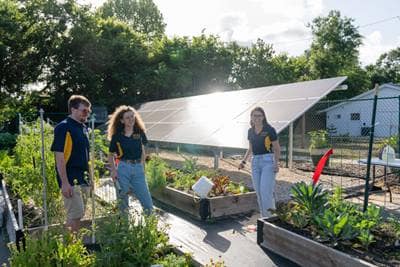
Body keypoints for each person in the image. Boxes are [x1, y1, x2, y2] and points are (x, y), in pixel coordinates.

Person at [51, 95, 91, 231]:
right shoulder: (63, 127)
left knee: (79, 215)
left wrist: (90, 179)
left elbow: (87, 155)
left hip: (83, 177)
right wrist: (64, 182)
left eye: (88, 111)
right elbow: (59, 157)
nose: (87, 113)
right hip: (71, 178)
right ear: (73, 109)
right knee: (74, 215)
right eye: (84, 110)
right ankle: (71, 248)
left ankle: (73, 247)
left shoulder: (82, 128)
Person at [107, 105, 153, 214]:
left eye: (133, 116)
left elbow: (143, 151)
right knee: (123, 202)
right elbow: (110, 154)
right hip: (123, 168)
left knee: (147, 203)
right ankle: (125, 229)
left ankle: (150, 228)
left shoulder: (140, 133)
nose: (131, 119)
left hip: (138, 169)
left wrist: (142, 167)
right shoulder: (117, 136)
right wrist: (113, 170)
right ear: (122, 121)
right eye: (127, 117)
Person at [238, 106, 281, 217]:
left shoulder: (269, 130)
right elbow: (251, 148)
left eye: (259, 115)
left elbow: (277, 148)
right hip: (255, 162)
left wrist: (276, 163)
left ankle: (270, 219)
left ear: (263, 117)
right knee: (259, 193)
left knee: (265, 192)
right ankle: (264, 218)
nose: (257, 118)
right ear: (251, 117)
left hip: (268, 161)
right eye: (254, 115)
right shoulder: (250, 131)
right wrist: (243, 161)